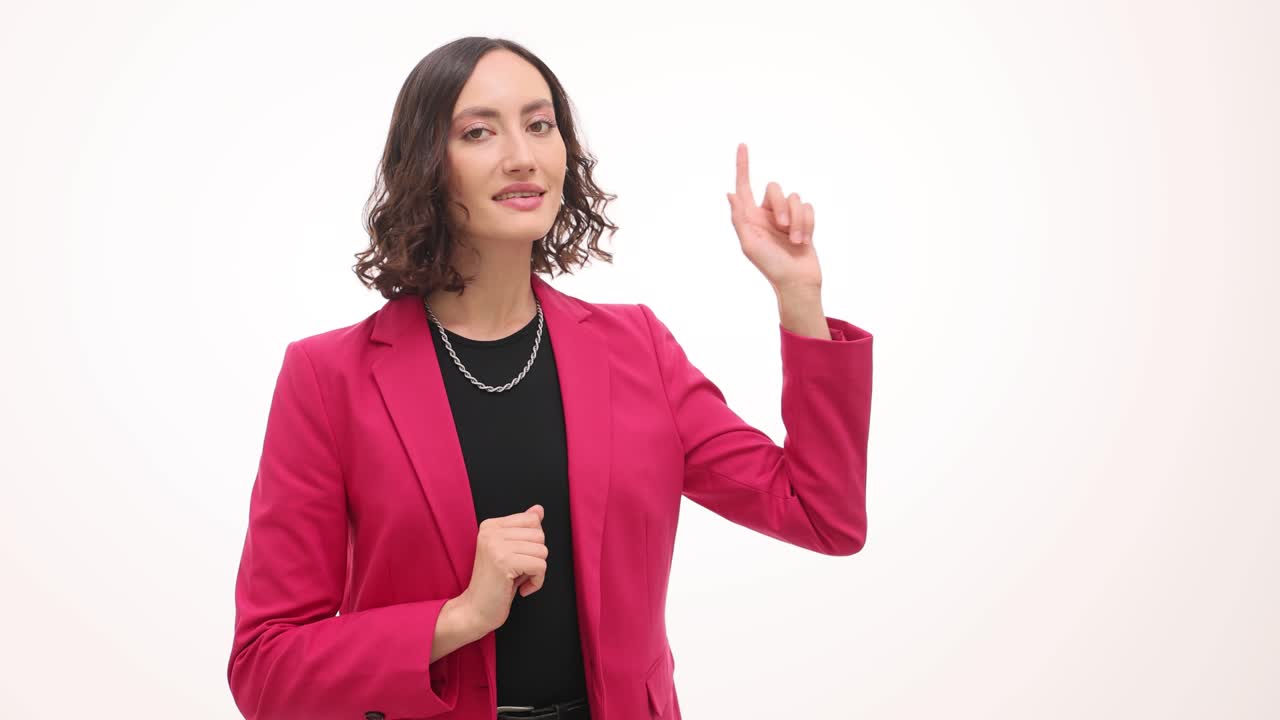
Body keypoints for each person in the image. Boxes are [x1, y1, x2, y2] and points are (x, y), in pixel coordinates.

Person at [226, 36, 873, 720]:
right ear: (426, 166)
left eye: (540, 125)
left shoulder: (638, 349)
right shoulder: (330, 378)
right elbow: (264, 668)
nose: (522, 156)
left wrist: (799, 298)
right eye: (479, 132)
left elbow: (820, 515)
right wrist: (458, 617)